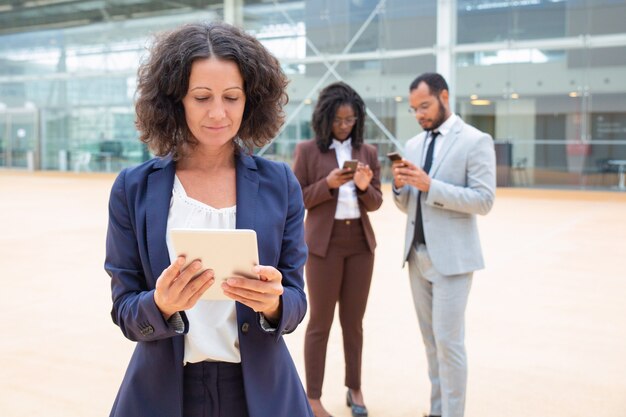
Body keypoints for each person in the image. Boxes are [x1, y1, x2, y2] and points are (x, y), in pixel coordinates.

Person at [104, 22, 313, 417]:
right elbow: (125, 310)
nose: (219, 112)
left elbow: (297, 299)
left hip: (259, 393)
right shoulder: (133, 189)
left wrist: (275, 303)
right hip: (165, 391)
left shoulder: (279, 183)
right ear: (175, 101)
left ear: (250, 100)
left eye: (232, 97)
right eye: (201, 97)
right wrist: (160, 304)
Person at [391, 72, 496, 417]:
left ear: (444, 97)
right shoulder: (414, 144)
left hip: (453, 259)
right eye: (414, 109)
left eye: (425, 106)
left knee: (449, 344)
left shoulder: (475, 140)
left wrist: (429, 185)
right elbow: (409, 204)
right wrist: (399, 187)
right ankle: (437, 411)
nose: (420, 114)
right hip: (417, 256)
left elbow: (483, 200)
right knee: (431, 342)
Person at [292, 82, 383, 417]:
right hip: (323, 247)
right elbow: (297, 199)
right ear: (326, 118)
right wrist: (327, 185)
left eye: (351, 120)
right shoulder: (307, 151)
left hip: (360, 245)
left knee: (353, 322)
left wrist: (362, 187)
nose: (345, 126)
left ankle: (354, 386)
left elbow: (376, 202)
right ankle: (312, 396)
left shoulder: (368, 152)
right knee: (320, 322)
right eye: (339, 120)